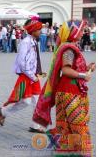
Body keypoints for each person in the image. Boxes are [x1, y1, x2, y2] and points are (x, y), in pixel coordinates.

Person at [33, 20, 95, 156]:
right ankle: (85, 153)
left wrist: (87, 68)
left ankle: (64, 149)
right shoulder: (68, 49)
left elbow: (72, 68)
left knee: (66, 124)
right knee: (79, 125)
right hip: (69, 92)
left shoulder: (70, 47)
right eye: (81, 30)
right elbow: (66, 70)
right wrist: (83, 75)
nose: (83, 32)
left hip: (68, 91)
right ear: (74, 32)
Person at [0, 19, 45, 133]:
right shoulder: (25, 42)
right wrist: (32, 75)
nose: (41, 31)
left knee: (37, 100)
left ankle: (35, 125)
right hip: (27, 76)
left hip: (34, 76)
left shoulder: (34, 41)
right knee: (26, 101)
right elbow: (21, 62)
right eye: (39, 30)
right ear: (33, 31)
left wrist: (37, 74)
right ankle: (4, 111)